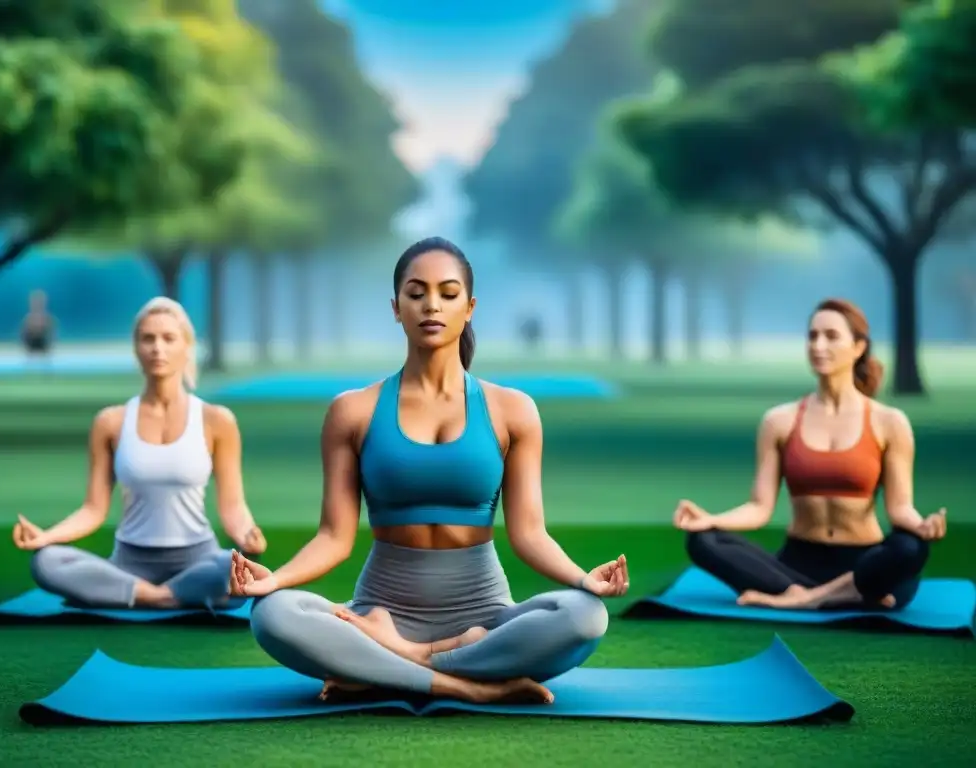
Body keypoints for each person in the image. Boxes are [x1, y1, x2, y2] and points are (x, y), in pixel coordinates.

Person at [230, 237, 628, 706]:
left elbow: (530, 534)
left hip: (485, 619)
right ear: (396, 307)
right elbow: (334, 537)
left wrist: (584, 580)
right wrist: (274, 580)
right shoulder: (353, 411)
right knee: (272, 614)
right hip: (381, 610)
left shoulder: (512, 411)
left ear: (470, 306)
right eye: (416, 293)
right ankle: (462, 683)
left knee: (585, 616)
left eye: (448, 292)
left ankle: (390, 665)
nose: (431, 305)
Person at [674, 298, 946, 611]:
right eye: (812, 336)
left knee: (911, 547)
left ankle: (808, 598)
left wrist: (923, 526)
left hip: (864, 563)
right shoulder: (779, 420)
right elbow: (760, 508)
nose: (818, 345)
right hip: (796, 566)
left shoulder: (890, 422)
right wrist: (710, 519)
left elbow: (900, 509)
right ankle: (837, 595)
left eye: (831, 336)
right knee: (704, 540)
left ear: (858, 347)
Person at [12, 297, 266, 610]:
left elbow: (233, 507)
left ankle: (136, 596)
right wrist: (46, 537)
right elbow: (93, 509)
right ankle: (166, 597)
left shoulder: (217, 420)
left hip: (198, 559)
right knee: (46, 561)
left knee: (232, 566)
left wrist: (248, 533)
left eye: (168, 338)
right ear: (136, 348)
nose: (158, 348)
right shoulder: (111, 422)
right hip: (129, 564)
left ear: (186, 346)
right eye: (148, 339)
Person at [21, 290, 55, 358]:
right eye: (35, 302)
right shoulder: (27, 320)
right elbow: (24, 338)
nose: (38, 304)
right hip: (31, 353)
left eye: (40, 302)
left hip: (44, 353)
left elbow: (51, 338)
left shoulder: (49, 320)